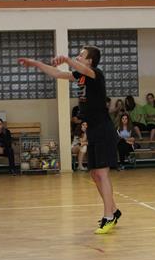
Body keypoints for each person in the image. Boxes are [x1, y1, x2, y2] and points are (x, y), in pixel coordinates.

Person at [20, 45, 122, 234]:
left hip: (103, 129)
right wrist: (36, 63)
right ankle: (114, 210)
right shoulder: (81, 76)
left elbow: (81, 68)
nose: (78, 57)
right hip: (92, 130)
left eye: (81, 55)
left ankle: (108, 217)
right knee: (95, 174)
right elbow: (58, 74)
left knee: (102, 174)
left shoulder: (96, 74)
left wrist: (67, 60)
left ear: (90, 61)